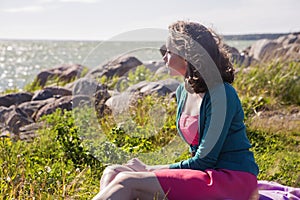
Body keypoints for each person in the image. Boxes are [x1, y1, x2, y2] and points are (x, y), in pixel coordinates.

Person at [93, 20, 259, 200]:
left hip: (230, 180)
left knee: (127, 181)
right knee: (113, 171)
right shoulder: (182, 91)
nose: (163, 57)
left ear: (187, 55)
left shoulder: (221, 94)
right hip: (202, 174)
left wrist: (149, 169)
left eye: (168, 51)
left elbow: (204, 160)